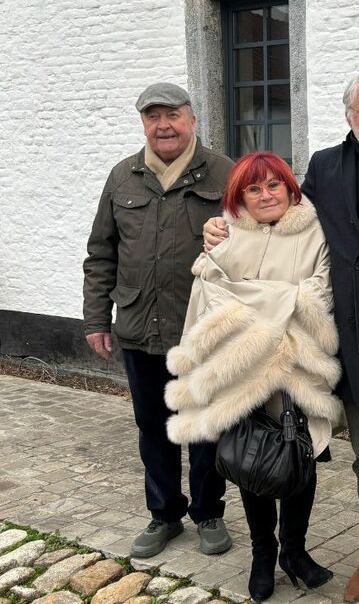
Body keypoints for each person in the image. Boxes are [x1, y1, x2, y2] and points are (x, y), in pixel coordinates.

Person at [203, 69, 359, 604]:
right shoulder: (324, 165)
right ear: (349, 115)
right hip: (353, 342)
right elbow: (283, 218)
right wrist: (222, 225)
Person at [163, 151, 343, 601]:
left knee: (301, 458)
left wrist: (250, 303)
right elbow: (212, 295)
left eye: (274, 185)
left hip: (297, 370)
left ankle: (294, 552)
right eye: (254, 188)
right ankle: (264, 553)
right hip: (242, 374)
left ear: (289, 187)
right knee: (252, 460)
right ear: (240, 195)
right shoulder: (224, 235)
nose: (266, 195)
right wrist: (284, 301)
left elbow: (320, 293)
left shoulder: (316, 233)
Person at [82, 82, 233, 559]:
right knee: (153, 426)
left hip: (202, 330)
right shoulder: (122, 177)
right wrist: (95, 319)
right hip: (138, 327)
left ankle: (208, 513)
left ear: (192, 120)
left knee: (206, 428)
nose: (163, 125)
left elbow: (254, 248)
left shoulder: (224, 173)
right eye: (154, 117)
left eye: (173, 115)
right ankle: (164, 514)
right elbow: (101, 252)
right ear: (144, 123)